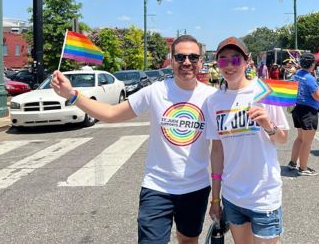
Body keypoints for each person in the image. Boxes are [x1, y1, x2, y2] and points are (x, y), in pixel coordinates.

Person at [50, 35, 216, 244]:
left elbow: (227, 142)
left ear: (201, 61)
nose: (186, 62)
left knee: (188, 240)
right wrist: (72, 95)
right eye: (180, 57)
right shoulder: (155, 91)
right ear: (171, 60)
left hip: (195, 187)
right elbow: (111, 114)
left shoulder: (212, 97)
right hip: (157, 187)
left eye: (193, 57)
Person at [205, 37, 289, 243]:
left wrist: (269, 125)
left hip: (264, 195)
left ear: (247, 61)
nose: (229, 66)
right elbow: (217, 151)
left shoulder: (265, 91)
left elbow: (283, 138)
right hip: (232, 197)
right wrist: (215, 198)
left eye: (235, 59)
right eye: (223, 61)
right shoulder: (213, 101)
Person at [287, 52, 319, 176]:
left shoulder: (297, 75)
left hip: (297, 108)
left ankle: (292, 162)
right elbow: (317, 96)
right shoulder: (309, 78)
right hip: (308, 111)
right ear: (312, 64)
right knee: (307, 142)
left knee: (300, 138)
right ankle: (303, 168)